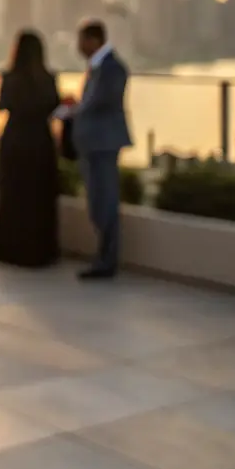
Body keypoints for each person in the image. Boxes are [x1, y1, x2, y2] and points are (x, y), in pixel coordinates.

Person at [65, 19, 132, 280]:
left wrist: (74, 110)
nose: (79, 46)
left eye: (81, 41)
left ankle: (107, 261)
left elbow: (100, 103)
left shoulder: (112, 68)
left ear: (93, 40)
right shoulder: (98, 68)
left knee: (105, 201)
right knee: (97, 201)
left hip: (103, 145)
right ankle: (103, 258)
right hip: (93, 145)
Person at [0, 30, 61, 267]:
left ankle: (11, 248)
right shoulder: (48, 78)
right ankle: (39, 250)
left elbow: (1, 104)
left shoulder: (9, 77)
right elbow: (54, 105)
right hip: (39, 140)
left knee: (13, 195)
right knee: (38, 197)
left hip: (15, 139)